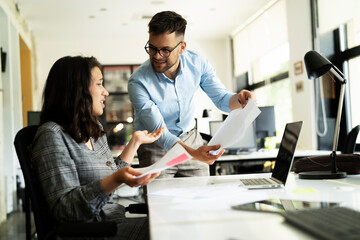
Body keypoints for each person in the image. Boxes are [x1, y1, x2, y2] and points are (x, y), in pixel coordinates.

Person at [31, 56, 164, 240]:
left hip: (113, 221)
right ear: (77, 90)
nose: (106, 92)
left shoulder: (94, 130)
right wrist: (117, 178)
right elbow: (66, 208)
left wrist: (135, 142)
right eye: (99, 84)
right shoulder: (52, 135)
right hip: (94, 232)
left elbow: (111, 174)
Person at [128, 10, 256, 178]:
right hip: (155, 144)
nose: (157, 56)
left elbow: (221, 98)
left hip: (190, 137)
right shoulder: (138, 82)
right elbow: (161, 134)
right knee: (161, 202)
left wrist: (240, 100)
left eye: (165, 50)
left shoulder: (197, 63)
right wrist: (194, 153)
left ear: (182, 47)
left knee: (201, 197)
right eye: (152, 48)